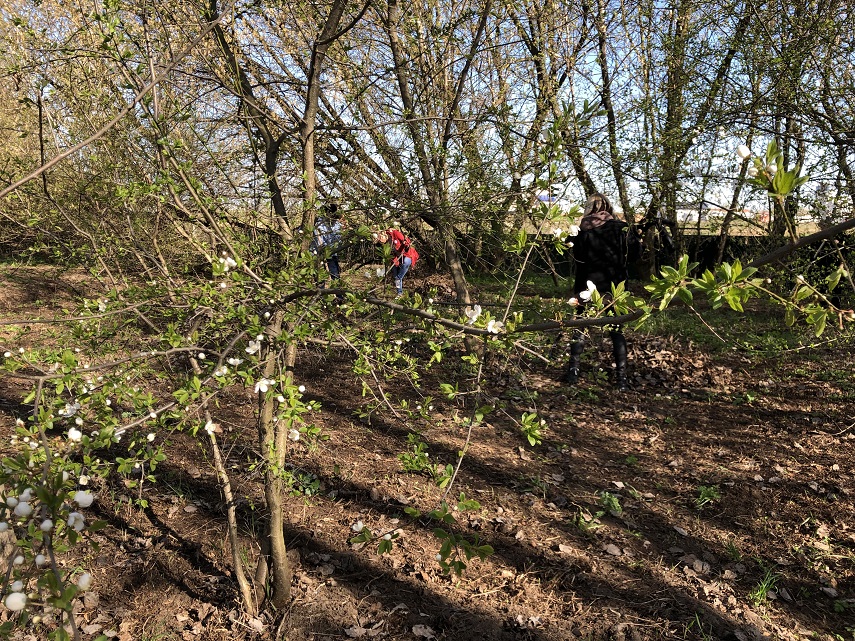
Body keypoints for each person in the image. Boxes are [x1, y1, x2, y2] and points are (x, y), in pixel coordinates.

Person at [565, 192, 641, 391]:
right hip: (614, 288)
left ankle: (573, 371)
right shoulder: (622, 229)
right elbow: (634, 255)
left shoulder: (580, 230)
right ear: (609, 207)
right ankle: (621, 379)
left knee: (580, 325)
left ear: (588, 208)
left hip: (585, 287)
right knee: (616, 329)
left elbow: (573, 253)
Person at [373, 227, 419, 299]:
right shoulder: (383, 244)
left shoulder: (394, 233)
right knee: (395, 276)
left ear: (383, 234)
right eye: (379, 240)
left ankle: (399, 277)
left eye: (380, 238)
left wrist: (405, 245)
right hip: (395, 259)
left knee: (404, 265)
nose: (381, 240)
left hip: (406, 255)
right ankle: (399, 293)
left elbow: (406, 241)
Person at [314, 204, 344, 299]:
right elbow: (319, 240)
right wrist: (322, 248)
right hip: (318, 254)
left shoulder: (337, 225)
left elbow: (338, 239)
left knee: (335, 275)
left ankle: (339, 298)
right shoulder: (318, 225)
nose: (335, 220)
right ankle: (320, 297)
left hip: (332, 253)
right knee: (320, 277)